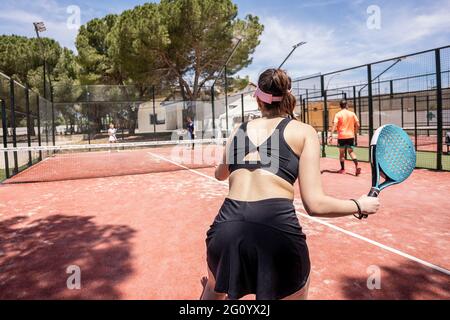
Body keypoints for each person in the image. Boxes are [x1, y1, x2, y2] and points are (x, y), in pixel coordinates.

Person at [201, 69, 380, 301]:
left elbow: (219, 175)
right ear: (287, 96)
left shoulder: (238, 130)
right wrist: (360, 204)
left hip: (226, 229)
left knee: (213, 292)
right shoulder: (304, 131)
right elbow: (315, 205)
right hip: (276, 230)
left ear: (257, 98)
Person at [328, 100, 361, 176]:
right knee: (351, 152)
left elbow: (335, 125)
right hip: (350, 136)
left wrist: (331, 135)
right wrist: (355, 132)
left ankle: (343, 170)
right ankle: (357, 166)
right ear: (346, 105)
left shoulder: (338, 114)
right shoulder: (352, 114)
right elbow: (358, 125)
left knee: (342, 153)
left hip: (342, 136)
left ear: (340, 106)